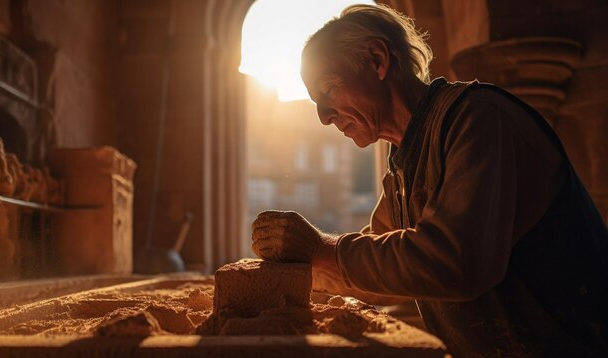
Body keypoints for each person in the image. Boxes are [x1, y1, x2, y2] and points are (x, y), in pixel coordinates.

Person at [251, 4, 608, 357]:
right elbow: (386, 267)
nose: (324, 117)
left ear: (377, 59)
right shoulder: (406, 157)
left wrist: (321, 249)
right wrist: (296, 270)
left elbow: (456, 263)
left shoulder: (478, 119)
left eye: (328, 89)